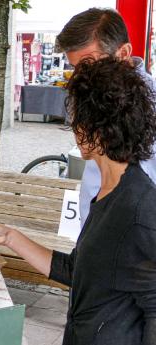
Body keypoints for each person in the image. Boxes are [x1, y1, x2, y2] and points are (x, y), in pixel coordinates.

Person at [0, 57, 156, 345]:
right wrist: (10, 237)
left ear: (96, 130)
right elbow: (77, 271)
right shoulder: (107, 191)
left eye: (78, 119)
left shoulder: (140, 207)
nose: (73, 127)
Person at [55, 7, 156, 225]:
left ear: (124, 52)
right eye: (75, 68)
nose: (82, 76)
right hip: (95, 223)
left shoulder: (150, 100)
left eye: (90, 64)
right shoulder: (89, 94)